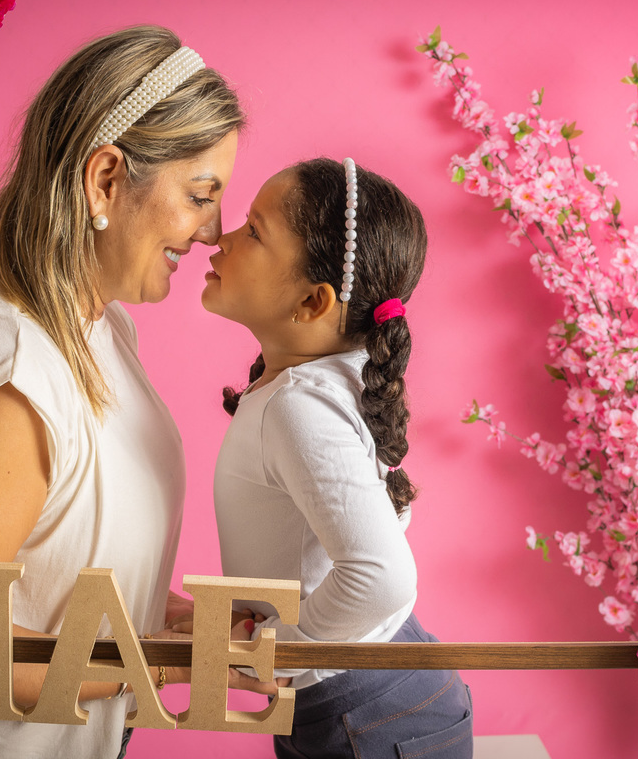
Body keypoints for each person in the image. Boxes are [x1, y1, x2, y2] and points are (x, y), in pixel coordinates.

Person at [0, 25, 265, 759]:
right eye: (200, 195)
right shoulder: (9, 370)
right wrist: (162, 660)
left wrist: (173, 622)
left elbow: (52, 572)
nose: (212, 233)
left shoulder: (100, 328)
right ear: (105, 180)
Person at [201, 157, 474, 758]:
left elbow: (381, 575)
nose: (219, 237)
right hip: (376, 694)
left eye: (253, 231)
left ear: (311, 301)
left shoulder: (300, 405)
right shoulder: (323, 384)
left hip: (367, 714)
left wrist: (279, 648)